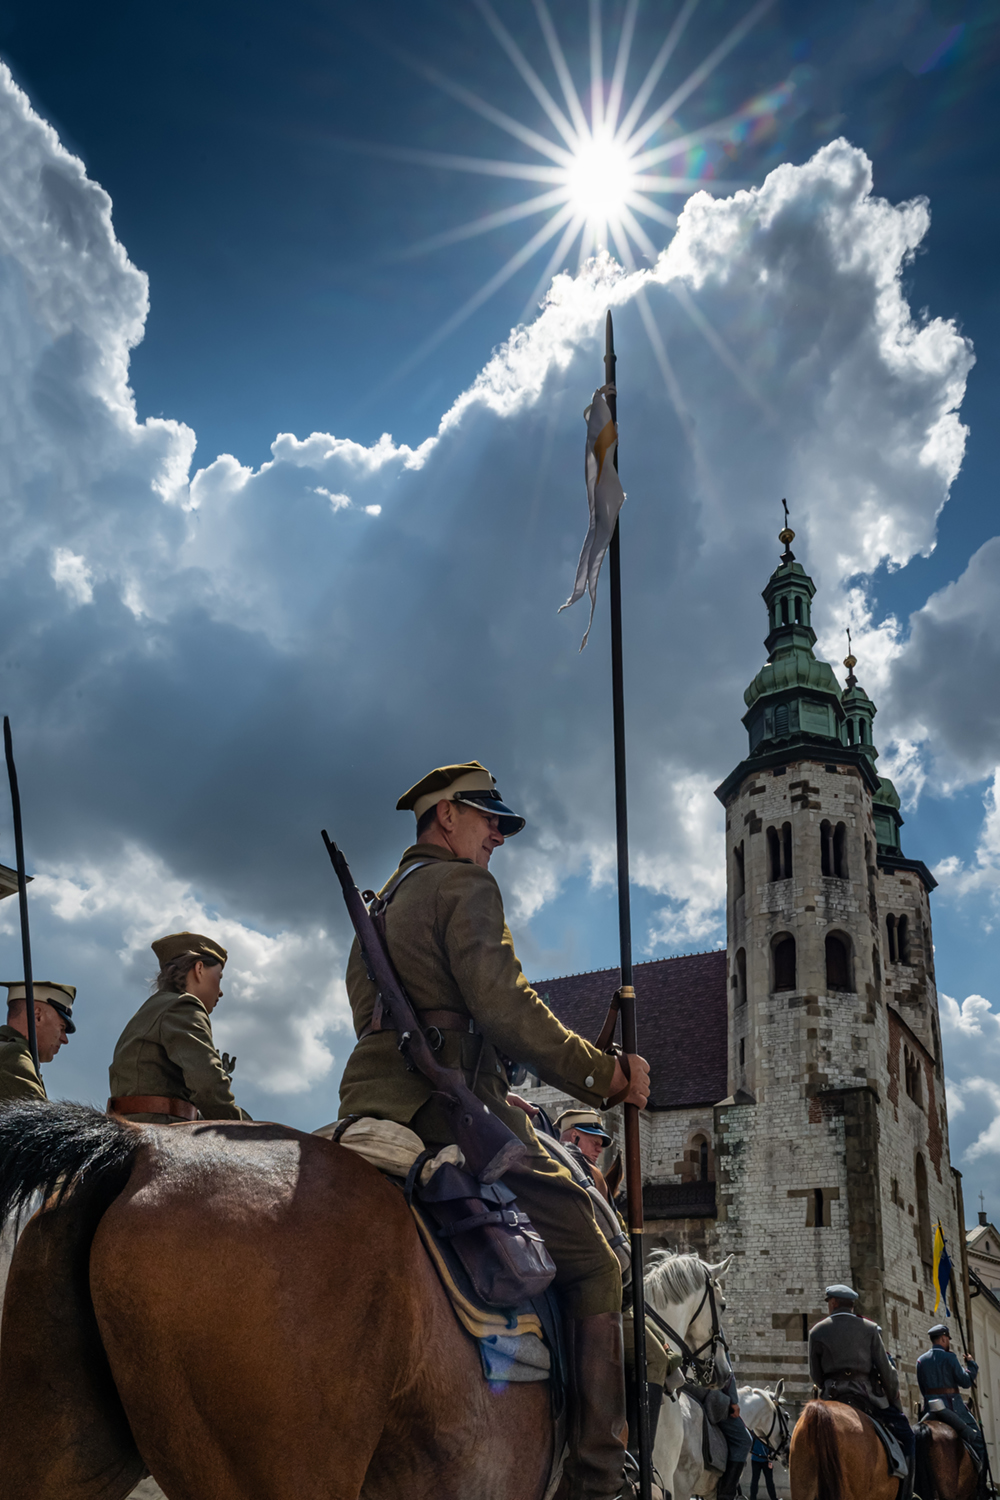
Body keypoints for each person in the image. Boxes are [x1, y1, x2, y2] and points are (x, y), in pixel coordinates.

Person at [338, 760, 651, 1500]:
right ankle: (599, 1475)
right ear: (446, 816)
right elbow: (507, 1008)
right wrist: (605, 1077)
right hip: (449, 1108)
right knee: (597, 1255)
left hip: (367, 1106)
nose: (498, 839)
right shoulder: (463, 886)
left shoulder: (378, 910)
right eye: (489, 821)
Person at [555, 1109, 676, 1461]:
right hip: (595, 1291)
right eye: (594, 1139)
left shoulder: (576, 1170)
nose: (599, 1147)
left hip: (608, 1289)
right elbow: (614, 1249)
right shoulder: (578, 1171)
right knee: (652, 1355)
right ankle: (636, 1456)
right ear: (573, 1136)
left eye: (602, 1142)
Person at [108, 932, 250, 1123]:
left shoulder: (154, 1008)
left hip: (133, 1125)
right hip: (161, 1129)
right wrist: (244, 1128)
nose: (221, 992)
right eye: (219, 977)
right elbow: (207, 1085)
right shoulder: (183, 1006)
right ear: (199, 968)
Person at [809, 1283, 914, 1496]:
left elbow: (816, 1376)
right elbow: (887, 1372)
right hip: (866, 1397)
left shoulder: (816, 1331)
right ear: (851, 1304)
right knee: (908, 1438)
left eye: (829, 1302)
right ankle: (906, 1494)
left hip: (832, 1395)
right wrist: (894, 1401)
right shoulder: (870, 1328)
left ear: (834, 1302)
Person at [916, 1324, 986, 1470]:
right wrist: (971, 1365)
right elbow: (966, 1382)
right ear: (943, 1339)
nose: (948, 1342)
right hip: (953, 1409)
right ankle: (981, 1487)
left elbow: (923, 1389)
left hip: (930, 1411)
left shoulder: (921, 1361)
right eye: (947, 1339)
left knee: (914, 1441)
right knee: (979, 1441)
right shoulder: (950, 1357)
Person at [0, 981, 76, 1100]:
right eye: (62, 1027)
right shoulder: (12, 1054)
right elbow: (41, 1118)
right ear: (37, 1016)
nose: (64, 1039)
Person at [748, 1433, 778, 1500]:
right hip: (758, 1459)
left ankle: (773, 1498)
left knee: (765, 1481)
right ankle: (753, 1498)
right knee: (757, 1480)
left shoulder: (755, 1432)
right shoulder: (761, 1432)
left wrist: (770, 1461)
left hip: (763, 1460)